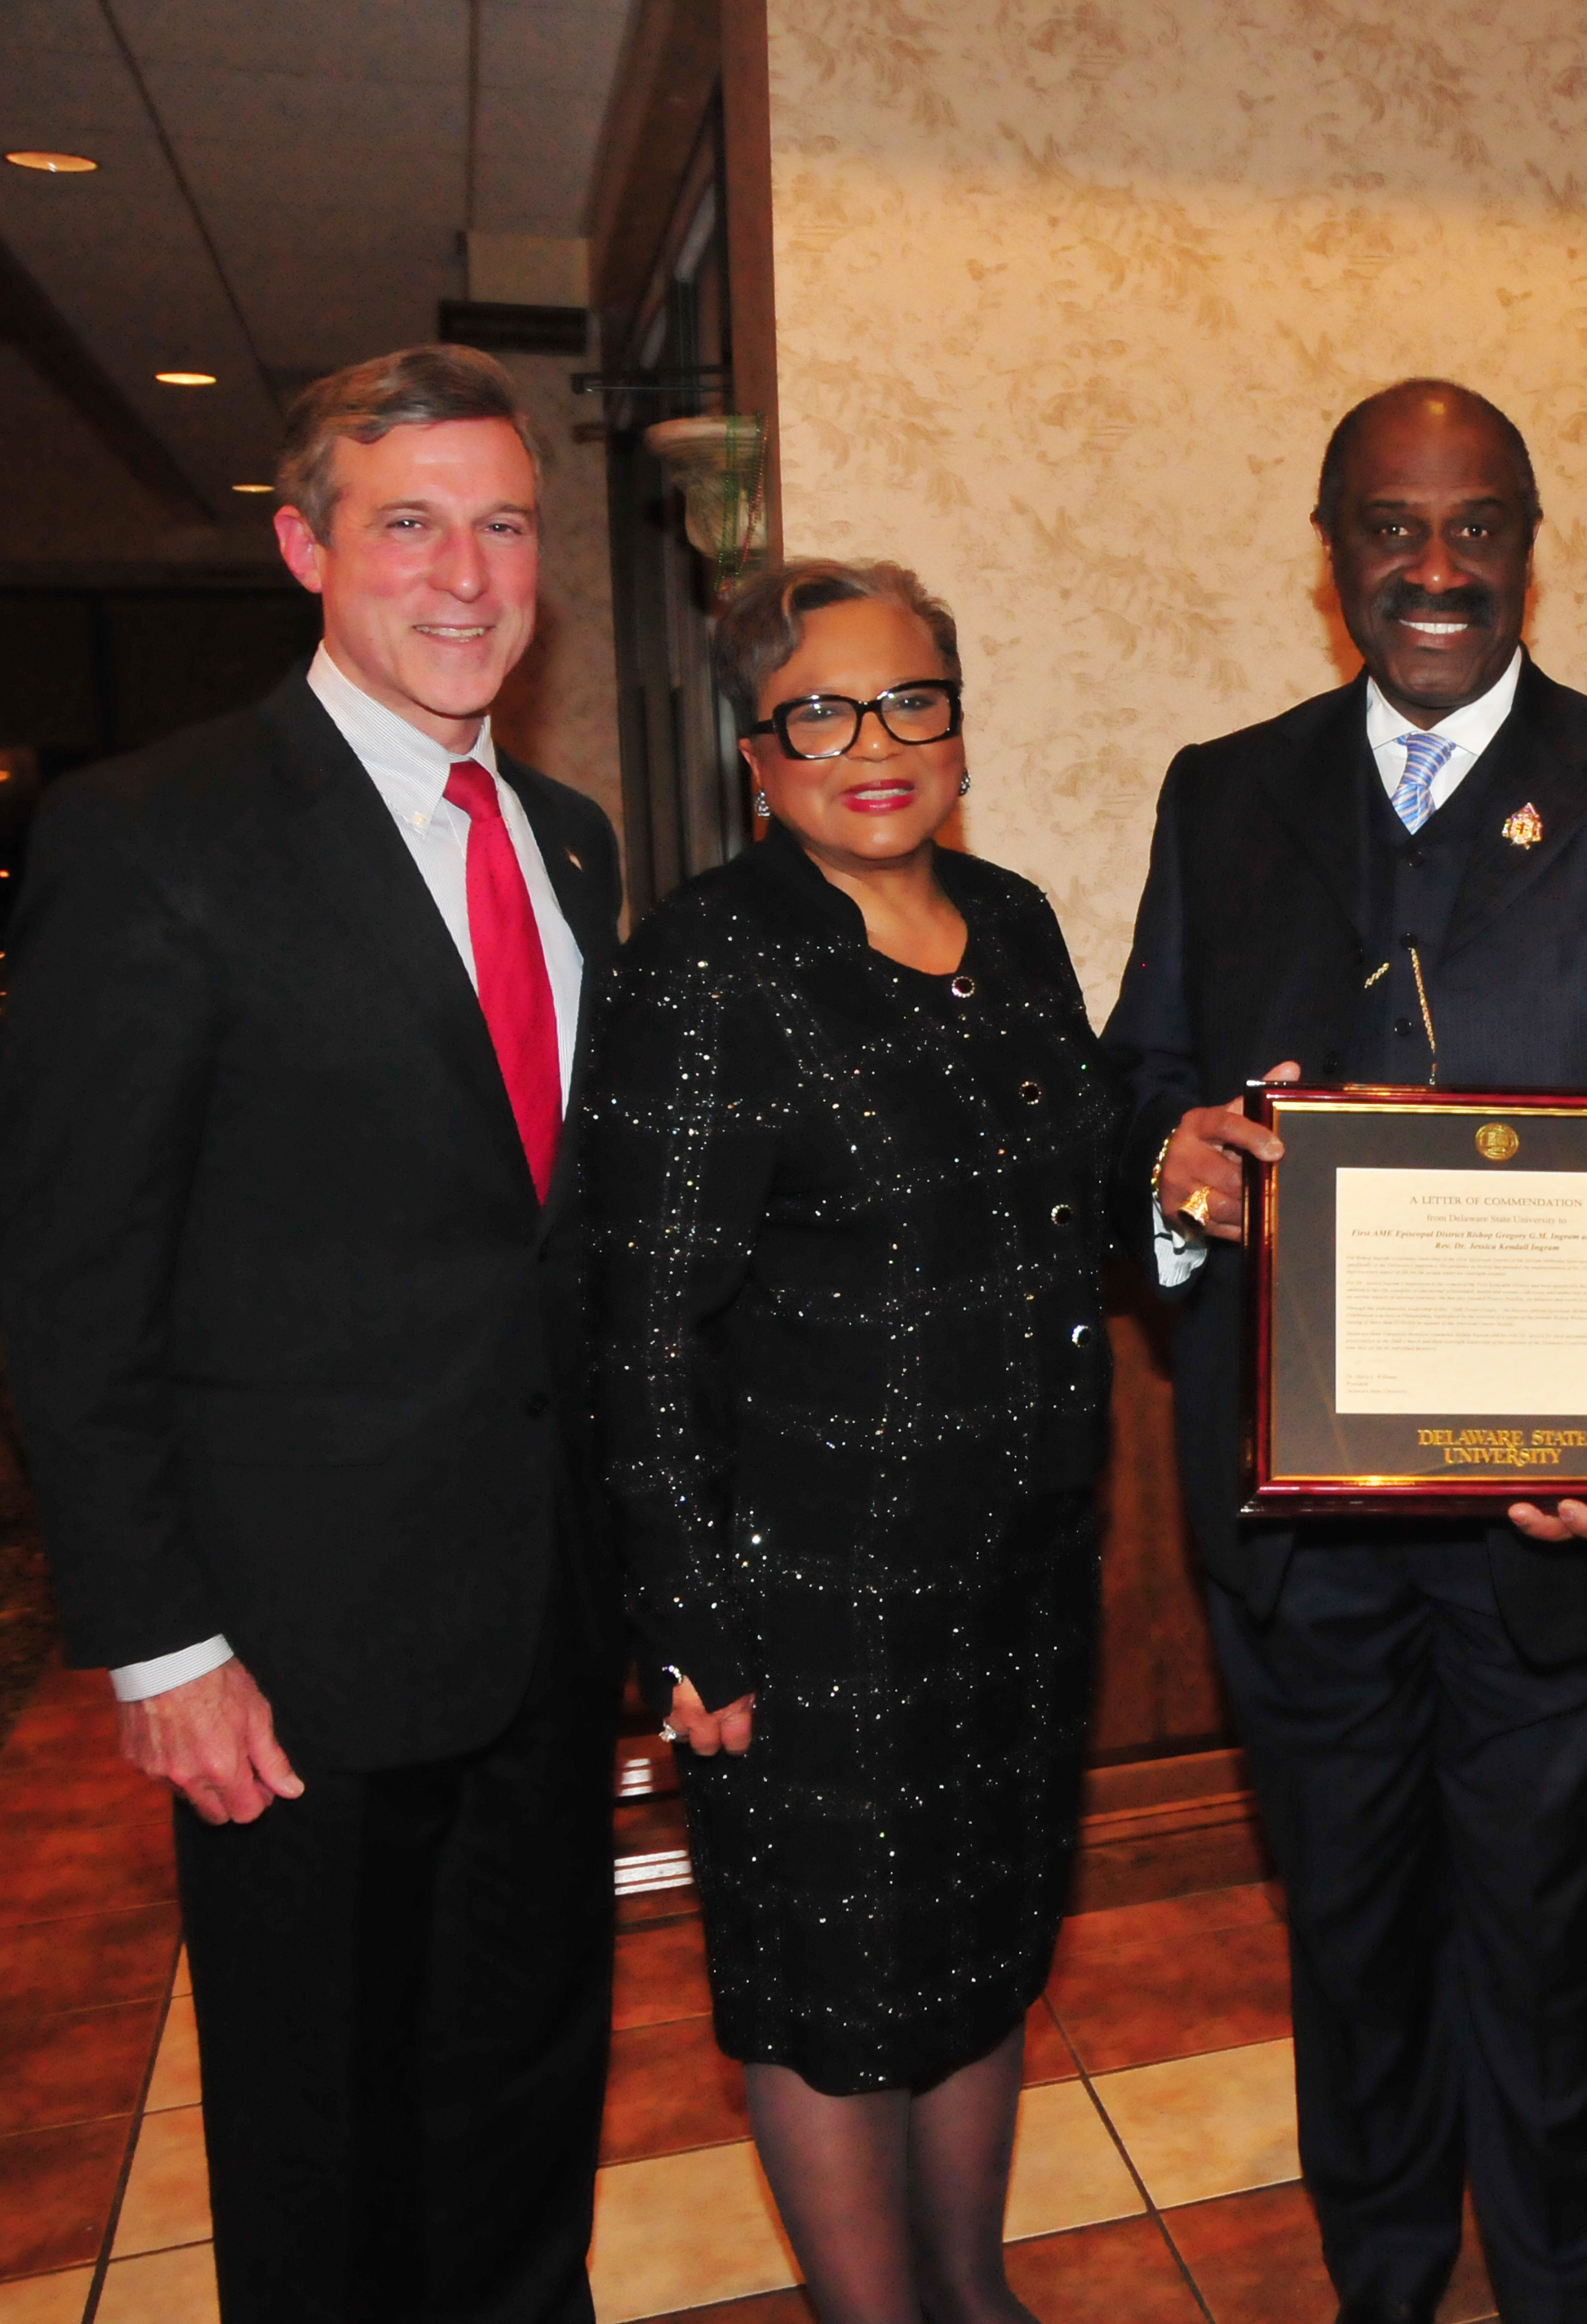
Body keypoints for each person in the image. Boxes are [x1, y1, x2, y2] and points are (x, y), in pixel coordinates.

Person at [1104, 378, 1587, 2324]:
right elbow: (1147, 1081)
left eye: (1472, 524)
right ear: (1327, 555)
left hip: (1563, 1530)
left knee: (1555, 1949)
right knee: (1353, 1946)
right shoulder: (1217, 790)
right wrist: (1180, 1167)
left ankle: (1569, 2293)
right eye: (1388, 526)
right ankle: (1384, 2286)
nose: (1431, 566)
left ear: (1526, 544)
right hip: (1300, 1538)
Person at [0, 344, 623, 2322]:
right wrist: (163, 1641)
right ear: (305, 547)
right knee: (321, 2134)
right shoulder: (156, 832)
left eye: (503, 523)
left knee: (525, 2088)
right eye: (410, 522)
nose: (466, 572)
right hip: (295, 1656)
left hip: (541, 1611)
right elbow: (74, 1275)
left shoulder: (572, 839)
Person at [580, 559, 1117, 2324]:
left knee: (976, 1950)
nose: (871, 744)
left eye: (910, 701)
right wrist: (692, 1623)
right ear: (757, 748)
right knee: (832, 1987)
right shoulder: (709, 961)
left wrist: (1190, 1167)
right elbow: (637, 1321)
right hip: (812, 1597)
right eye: (819, 709)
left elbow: (1086, 1210)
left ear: (958, 726)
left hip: (1020, 1567)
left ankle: (974, 2295)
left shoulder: (1019, 922)